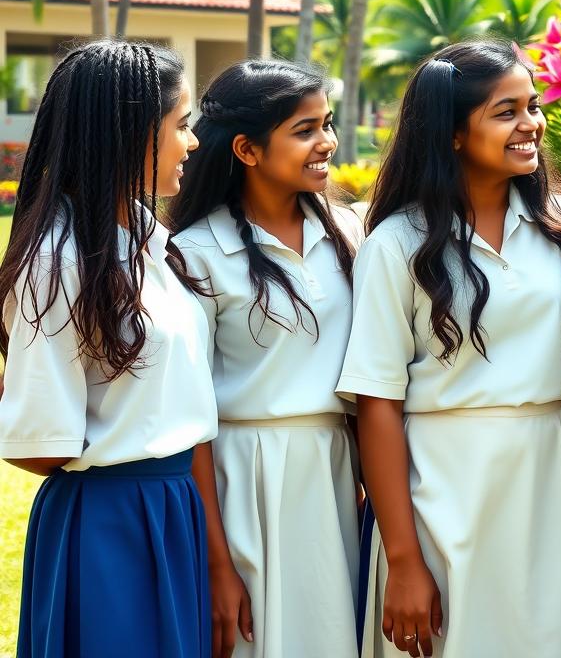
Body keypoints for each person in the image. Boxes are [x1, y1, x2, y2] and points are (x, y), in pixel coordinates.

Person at [337, 40, 561, 658]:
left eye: (532, 106)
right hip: (440, 489)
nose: (530, 124)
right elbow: (377, 403)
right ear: (453, 133)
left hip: (546, 479)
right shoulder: (396, 242)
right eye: (505, 111)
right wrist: (403, 559)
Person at [0, 40, 218, 658]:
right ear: (129, 133)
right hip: (109, 522)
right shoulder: (59, 259)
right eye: (181, 125)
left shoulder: (152, 244)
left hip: (175, 509)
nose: (192, 143)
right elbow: (44, 446)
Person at [168, 60, 363, 658]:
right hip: (243, 479)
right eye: (305, 130)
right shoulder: (195, 252)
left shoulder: (351, 234)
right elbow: (190, 417)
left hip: (337, 474)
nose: (326, 142)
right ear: (249, 149)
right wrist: (217, 562)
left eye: (327, 124)